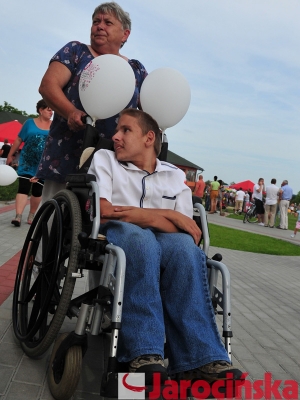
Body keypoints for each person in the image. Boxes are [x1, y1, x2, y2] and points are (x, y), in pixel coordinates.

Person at [88, 108, 243, 385]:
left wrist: (156, 216)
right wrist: (166, 215)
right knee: (141, 240)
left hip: (164, 239)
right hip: (121, 235)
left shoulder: (173, 174)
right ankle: (143, 354)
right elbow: (106, 210)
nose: (115, 137)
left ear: (149, 138)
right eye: (117, 130)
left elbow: (186, 228)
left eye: (125, 130)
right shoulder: (105, 160)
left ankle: (201, 358)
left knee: (185, 250)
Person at [35, 2, 147, 205]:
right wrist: (70, 112)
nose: (99, 26)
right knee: (55, 223)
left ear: (125, 34)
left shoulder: (136, 70)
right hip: (66, 157)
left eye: (108, 22)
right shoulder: (76, 52)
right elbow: (48, 86)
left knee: (100, 229)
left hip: (115, 164)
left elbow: (148, 114)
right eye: (96, 21)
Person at [6, 100, 53, 226]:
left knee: (37, 191)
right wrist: (10, 155)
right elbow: (18, 139)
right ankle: (18, 216)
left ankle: (31, 215)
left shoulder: (54, 126)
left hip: (43, 164)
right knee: (23, 187)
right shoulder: (29, 123)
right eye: (49, 109)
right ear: (40, 110)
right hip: (27, 161)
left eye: (52, 110)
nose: (51, 112)